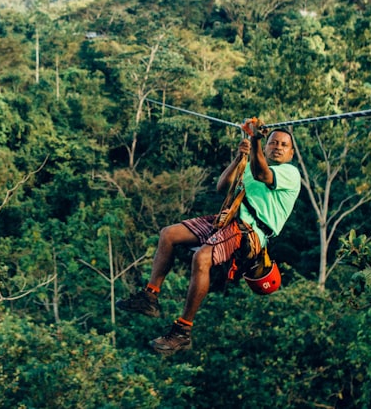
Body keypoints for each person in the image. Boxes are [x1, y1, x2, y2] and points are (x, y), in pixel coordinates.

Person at [116, 117, 300, 354]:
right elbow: (223, 187)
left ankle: (182, 331)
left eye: (284, 145)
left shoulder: (289, 173)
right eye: (273, 143)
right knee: (169, 235)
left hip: (249, 232)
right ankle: (149, 296)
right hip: (227, 219)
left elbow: (264, 174)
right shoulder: (253, 166)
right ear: (266, 147)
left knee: (201, 258)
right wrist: (239, 158)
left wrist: (255, 139)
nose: (278, 147)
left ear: (291, 153)